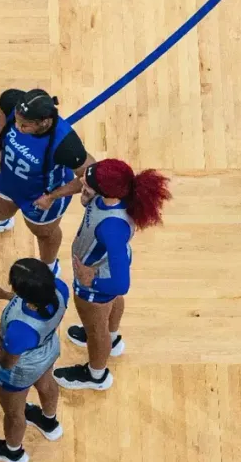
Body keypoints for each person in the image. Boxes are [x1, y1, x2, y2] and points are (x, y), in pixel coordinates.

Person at [53, 159, 171, 391]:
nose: (82, 180)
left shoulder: (111, 228)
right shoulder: (115, 195)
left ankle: (96, 375)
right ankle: (113, 337)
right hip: (107, 263)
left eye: (88, 181)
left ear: (106, 191)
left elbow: (120, 284)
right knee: (112, 308)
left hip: (98, 282)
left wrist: (92, 280)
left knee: (96, 331)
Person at [0, 89, 96, 266]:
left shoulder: (66, 144)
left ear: (44, 123)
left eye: (24, 126)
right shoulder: (14, 102)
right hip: (7, 177)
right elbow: (1, 103)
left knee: (45, 234)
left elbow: (92, 175)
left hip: (41, 196)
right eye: (16, 121)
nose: (17, 127)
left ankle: (48, 266)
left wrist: (52, 197)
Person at [0, 258, 68, 462]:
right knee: (47, 384)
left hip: (20, 371)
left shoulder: (20, 330)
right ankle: (49, 422)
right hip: (48, 352)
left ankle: (13, 452)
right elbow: (36, 300)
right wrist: (5, 295)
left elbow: (5, 361)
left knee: (14, 413)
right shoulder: (60, 288)